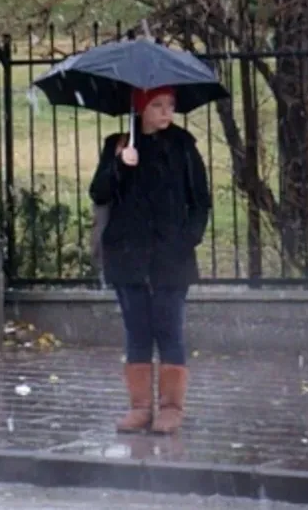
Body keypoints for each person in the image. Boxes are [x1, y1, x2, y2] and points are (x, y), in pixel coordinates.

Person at [89, 86, 211, 435]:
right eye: (157, 105)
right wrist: (118, 164)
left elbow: (200, 200)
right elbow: (99, 193)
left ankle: (171, 408)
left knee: (168, 329)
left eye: (170, 105)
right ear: (139, 108)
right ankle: (140, 407)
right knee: (137, 331)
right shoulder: (118, 142)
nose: (166, 112)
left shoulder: (182, 146)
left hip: (171, 255)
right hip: (127, 254)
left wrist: (188, 239)